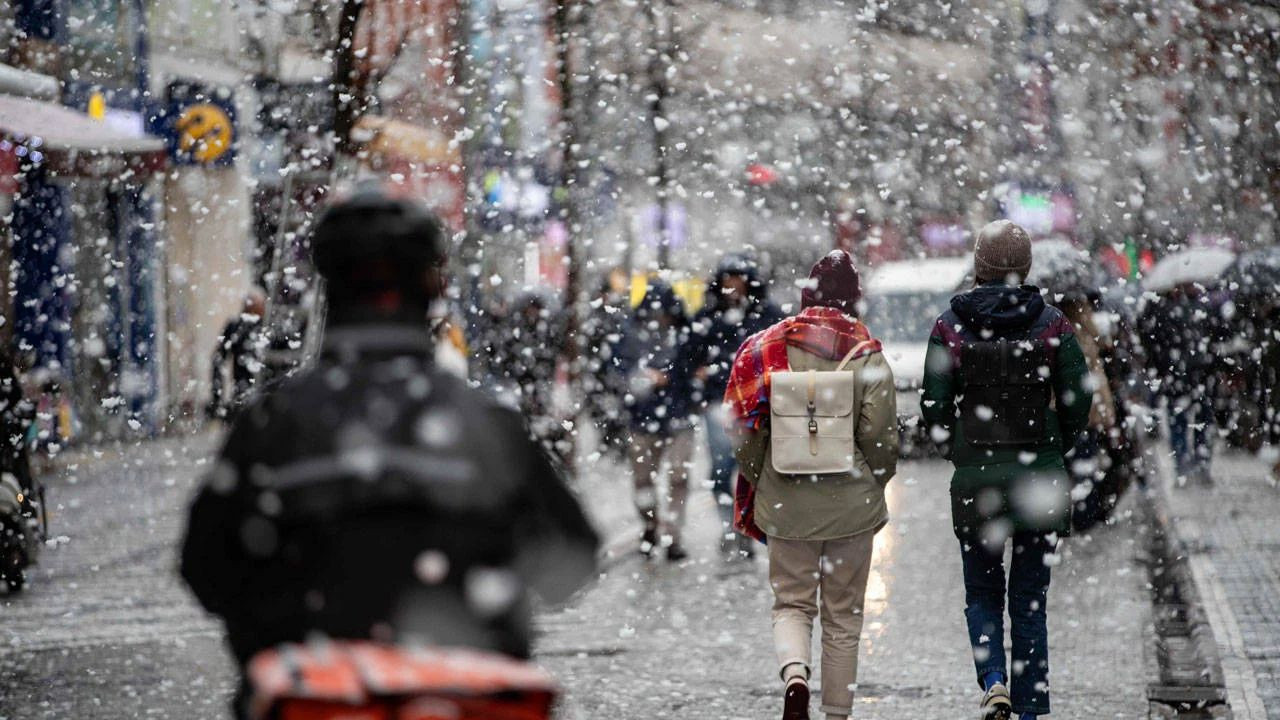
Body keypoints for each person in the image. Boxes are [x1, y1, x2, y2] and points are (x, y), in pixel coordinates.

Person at [179, 185, 599, 717]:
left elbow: (206, 564)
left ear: (328, 289)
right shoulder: (485, 426)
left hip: (314, 693)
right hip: (459, 693)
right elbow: (571, 561)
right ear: (432, 286)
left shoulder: (273, 425)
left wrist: (286, 615)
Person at [921, 220, 1092, 720]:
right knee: (1030, 599)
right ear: (1026, 267)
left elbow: (933, 404)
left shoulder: (949, 326)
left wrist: (960, 447)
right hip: (1040, 481)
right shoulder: (1053, 324)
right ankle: (1031, 705)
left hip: (978, 483)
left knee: (982, 593)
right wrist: (1056, 444)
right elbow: (1078, 398)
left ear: (978, 266)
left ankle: (993, 679)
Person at [726, 249, 898, 720]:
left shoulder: (763, 347)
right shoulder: (866, 352)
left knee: (791, 604)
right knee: (843, 619)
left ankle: (796, 674)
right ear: (855, 301)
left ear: (806, 295)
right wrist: (871, 483)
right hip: (851, 507)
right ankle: (837, 713)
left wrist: (767, 478)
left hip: (786, 502)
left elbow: (742, 429)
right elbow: (881, 440)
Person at [692, 254, 784, 558]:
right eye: (727, 280)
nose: (732, 287)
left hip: (755, 405)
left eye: (738, 280)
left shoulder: (766, 315)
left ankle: (746, 525)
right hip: (720, 405)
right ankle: (730, 527)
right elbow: (689, 357)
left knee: (754, 470)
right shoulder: (708, 317)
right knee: (721, 470)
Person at [618, 279, 700, 561]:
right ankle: (650, 527)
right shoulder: (630, 334)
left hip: (678, 418)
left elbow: (694, 368)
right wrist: (641, 379)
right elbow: (617, 371)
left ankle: (673, 536)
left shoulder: (684, 333)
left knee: (678, 477)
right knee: (643, 480)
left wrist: (674, 379)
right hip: (642, 419)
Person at [1138, 283, 1219, 484]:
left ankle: (1189, 467)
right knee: (1190, 421)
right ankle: (1193, 466)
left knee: (1187, 422)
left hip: (1186, 374)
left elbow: (1149, 339)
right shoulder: (1197, 308)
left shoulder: (1163, 308)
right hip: (1190, 374)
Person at [580, 268, 632, 459]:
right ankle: (610, 445)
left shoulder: (617, 316)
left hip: (612, 374)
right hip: (601, 375)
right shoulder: (598, 318)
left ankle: (615, 447)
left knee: (615, 418)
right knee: (603, 416)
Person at [208, 288, 267, 420]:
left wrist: (217, 401)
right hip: (247, 397)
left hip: (256, 396)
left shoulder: (264, 328)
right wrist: (217, 400)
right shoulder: (239, 328)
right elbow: (217, 361)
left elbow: (217, 360)